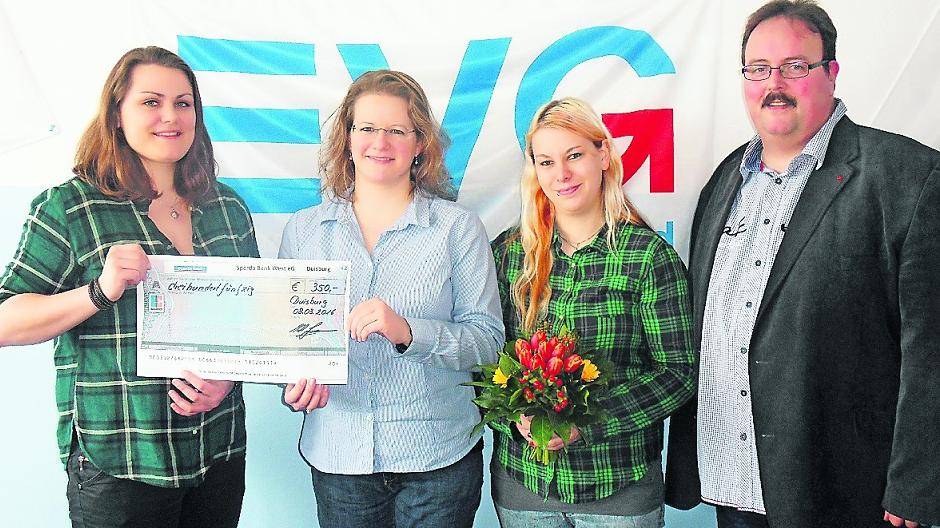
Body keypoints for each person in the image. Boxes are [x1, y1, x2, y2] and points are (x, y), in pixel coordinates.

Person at [664, 2, 940, 527]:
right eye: (759, 69)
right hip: (734, 482)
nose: (775, 83)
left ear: (831, 73)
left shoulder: (908, 178)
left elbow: (930, 348)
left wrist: (916, 484)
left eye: (795, 65)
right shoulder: (726, 179)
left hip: (843, 489)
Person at [0, 47, 259, 527]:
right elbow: (4, 320)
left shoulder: (227, 208)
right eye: (151, 102)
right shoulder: (71, 207)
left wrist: (227, 380)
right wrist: (98, 290)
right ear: (117, 114)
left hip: (217, 451)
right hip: (120, 461)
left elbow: (251, 329)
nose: (170, 116)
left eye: (184, 103)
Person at [277, 69, 504, 528]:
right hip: (340, 460)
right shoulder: (303, 230)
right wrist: (295, 380)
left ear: (420, 143)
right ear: (347, 136)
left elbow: (488, 343)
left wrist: (408, 332)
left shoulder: (457, 229)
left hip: (438, 459)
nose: (380, 142)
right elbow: (283, 343)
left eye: (397, 130)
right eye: (367, 128)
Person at [488, 97, 696, 528]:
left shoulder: (647, 258)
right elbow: (483, 356)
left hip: (618, 488)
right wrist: (514, 418)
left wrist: (588, 421)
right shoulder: (508, 256)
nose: (561, 174)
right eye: (546, 162)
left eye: (574, 155)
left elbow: (679, 373)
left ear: (603, 155)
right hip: (524, 487)